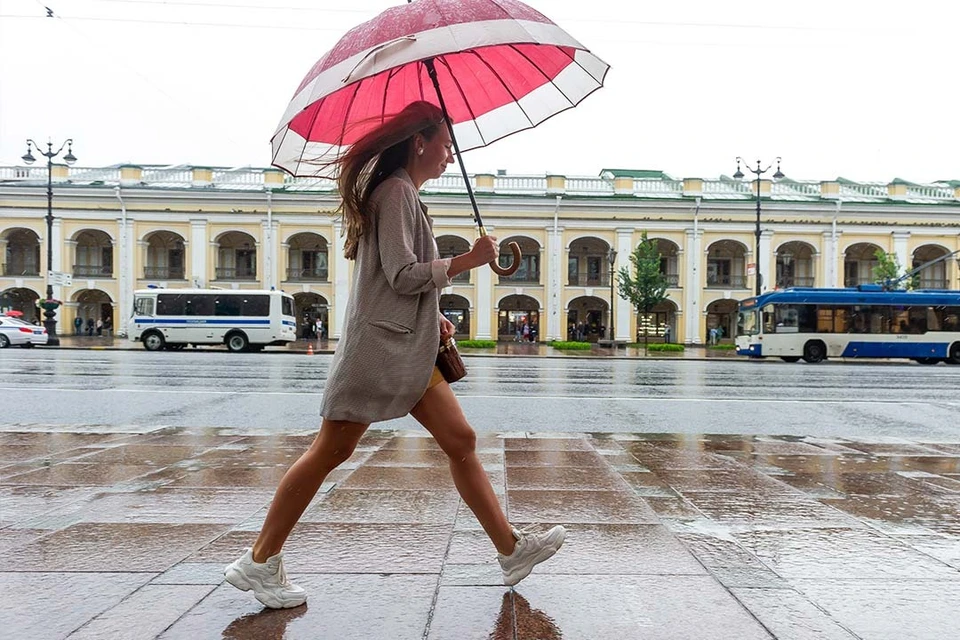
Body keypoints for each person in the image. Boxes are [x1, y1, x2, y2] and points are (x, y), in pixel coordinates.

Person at [224, 101, 566, 610]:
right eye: (445, 143)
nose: (451, 153)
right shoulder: (395, 192)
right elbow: (402, 274)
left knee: (462, 440)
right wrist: (468, 260)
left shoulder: (404, 194)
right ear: (419, 142)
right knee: (330, 451)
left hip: (406, 341)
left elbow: (401, 281)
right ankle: (259, 559)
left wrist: (436, 314)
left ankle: (510, 549)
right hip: (380, 349)